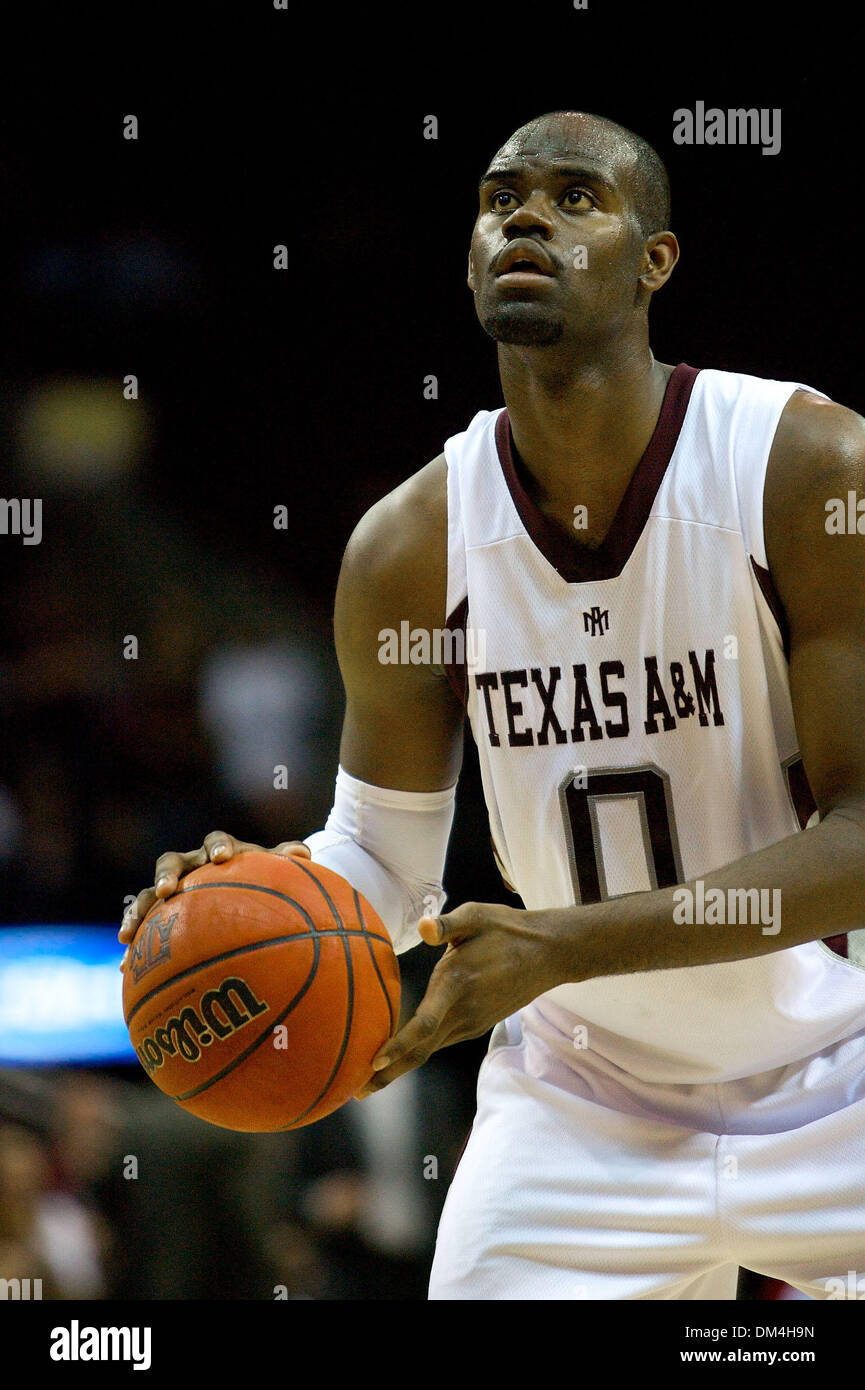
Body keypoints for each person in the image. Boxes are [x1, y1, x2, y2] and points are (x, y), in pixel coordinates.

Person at [120, 111, 865, 1300]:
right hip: (583, 1103)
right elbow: (386, 862)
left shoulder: (802, 468)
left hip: (840, 1074)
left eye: (577, 198)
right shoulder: (410, 547)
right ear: (470, 258)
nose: (525, 216)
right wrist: (267, 892)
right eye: (499, 198)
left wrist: (560, 945)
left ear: (654, 259)